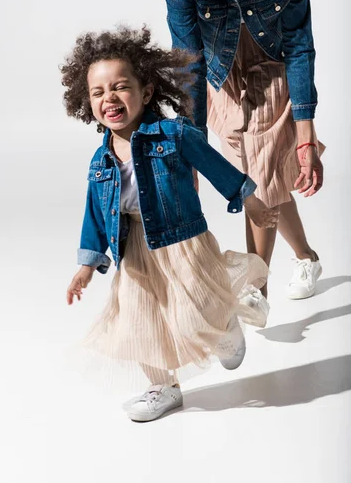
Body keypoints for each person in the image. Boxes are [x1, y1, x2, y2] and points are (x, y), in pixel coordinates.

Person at [62, 26, 278, 422]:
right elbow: (94, 213)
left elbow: (215, 168)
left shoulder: (173, 134)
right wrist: (86, 266)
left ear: (145, 93)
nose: (109, 97)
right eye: (97, 92)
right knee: (141, 320)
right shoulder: (100, 162)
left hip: (182, 240)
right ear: (86, 103)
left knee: (193, 309)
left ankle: (224, 322)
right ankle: (163, 387)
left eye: (120, 87)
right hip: (134, 249)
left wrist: (250, 199)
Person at [152, 0, 324, 300]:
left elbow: (299, 41)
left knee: (260, 180)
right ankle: (307, 257)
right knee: (265, 179)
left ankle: (254, 290)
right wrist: (191, 151)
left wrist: (305, 132)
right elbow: (187, 61)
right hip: (220, 78)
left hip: (271, 69)